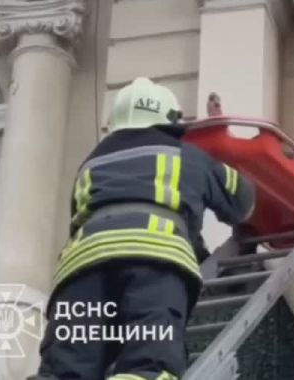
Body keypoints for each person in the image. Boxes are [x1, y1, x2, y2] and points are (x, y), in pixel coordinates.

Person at [32, 77, 256, 380]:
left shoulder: (89, 165)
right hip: (153, 266)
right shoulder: (187, 157)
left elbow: (85, 218)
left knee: (66, 367)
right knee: (148, 361)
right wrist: (219, 150)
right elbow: (242, 200)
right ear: (170, 121)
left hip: (81, 271)